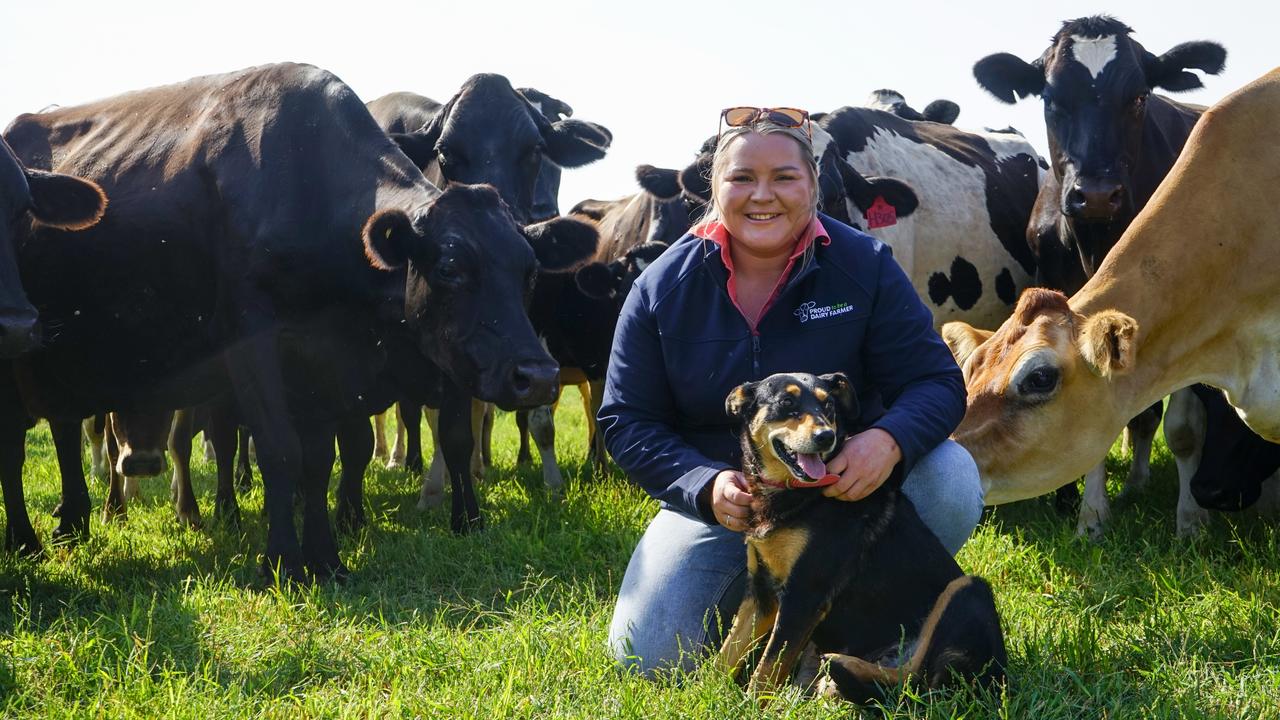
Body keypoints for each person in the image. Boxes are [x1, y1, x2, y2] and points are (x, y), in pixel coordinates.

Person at [597, 107, 984, 677]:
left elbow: (937, 381)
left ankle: (855, 616)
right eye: (742, 178)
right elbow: (627, 419)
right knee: (646, 656)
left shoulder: (864, 265)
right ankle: (779, 605)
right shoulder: (662, 286)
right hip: (722, 503)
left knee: (950, 476)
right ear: (714, 187)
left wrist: (887, 440)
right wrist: (701, 485)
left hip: (845, 490)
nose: (763, 195)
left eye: (784, 177)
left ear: (813, 185)